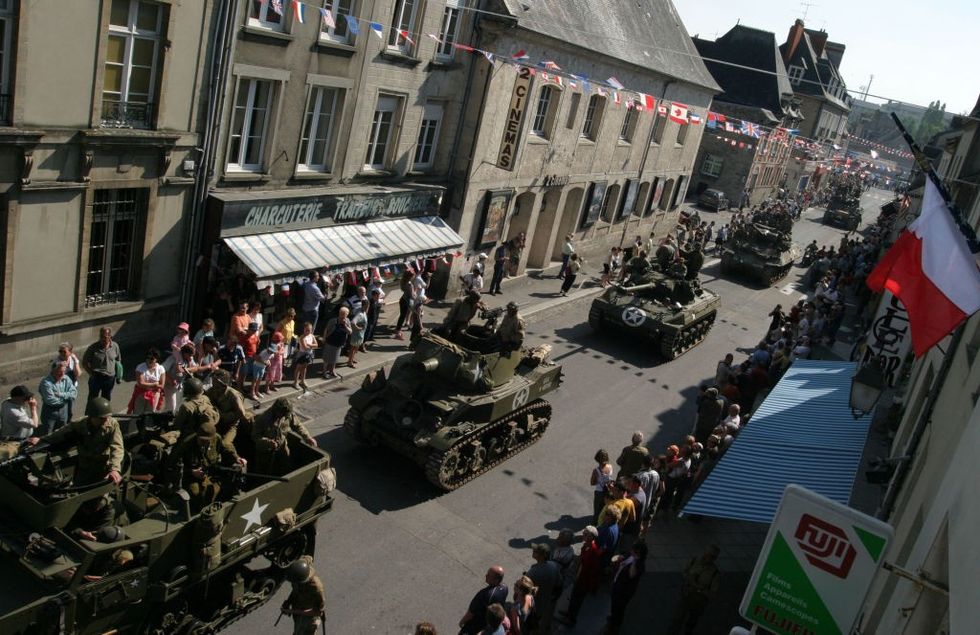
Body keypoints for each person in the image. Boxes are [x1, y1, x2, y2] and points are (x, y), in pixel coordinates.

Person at [32, 397, 123, 486]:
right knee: (79, 488)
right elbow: (60, 432)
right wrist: (42, 439)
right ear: (92, 417)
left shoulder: (112, 425)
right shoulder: (79, 424)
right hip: (84, 465)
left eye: (107, 417)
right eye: (102, 418)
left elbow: (117, 447)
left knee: (101, 498)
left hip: (102, 466)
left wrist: (114, 469)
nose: (106, 420)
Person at [166, 420, 245, 508]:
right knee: (197, 494)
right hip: (190, 477)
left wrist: (237, 458)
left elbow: (226, 450)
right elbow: (172, 465)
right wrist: (191, 472)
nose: (203, 442)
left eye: (206, 440)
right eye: (201, 439)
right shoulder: (186, 444)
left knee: (222, 488)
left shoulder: (217, 439)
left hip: (210, 472)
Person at [252, 398, 317, 475]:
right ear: (276, 410)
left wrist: (307, 437)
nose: (285, 416)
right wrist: (267, 442)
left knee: (286, 465)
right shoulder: (262, 419)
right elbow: (255, 436)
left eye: (286, 414)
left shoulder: (288, 414)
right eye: (283, 414)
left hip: (282, 446)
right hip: (265, 450)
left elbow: (297, 426)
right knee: (263, 471)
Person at [555, 525, 601, 627]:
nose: (583, 535)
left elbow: (591, 570)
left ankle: (571, 619)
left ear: (591, 537)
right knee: (573, 597)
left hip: (583, 581)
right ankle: (568, 613)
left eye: (585, 534)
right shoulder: (586, 546)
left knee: (577, 600)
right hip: (578, 578)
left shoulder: (593, 551)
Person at [668, 546, 721, 634]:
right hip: (686, 596)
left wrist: (700, 590)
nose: (708, 558)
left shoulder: (715, 573)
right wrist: (689, 579)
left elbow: (713, 594)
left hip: (698, 602)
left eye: (712, 557)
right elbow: (684, 572)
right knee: (677, 620)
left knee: (691, 623)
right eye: (708, 555)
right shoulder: (694, 561)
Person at [205, 369, 253, 448]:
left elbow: (241, 413)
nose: (213, 384)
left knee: (225, 444)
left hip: (231, 424)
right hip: (217, 421)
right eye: (213, 382)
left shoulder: (234, 395)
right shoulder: (212, 391)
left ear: (223, 384)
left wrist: (225, 416)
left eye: (216, 383)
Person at [608, 541, 648, 633]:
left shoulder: (640, 565)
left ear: (638, 553)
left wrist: (635, 560)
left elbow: (631, 574)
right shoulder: (630, 555)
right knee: (614, 604)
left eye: (633, 550)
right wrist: (621, 558)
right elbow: (624, 558)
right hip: (618, 583)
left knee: (619, 608)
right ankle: (613, 617)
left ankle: (614, 626)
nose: (631, 550)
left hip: (624, 591)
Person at [281, 556, 326, 635]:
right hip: (298, 611)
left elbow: (318, 612)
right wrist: (288, 602)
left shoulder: (316, 587)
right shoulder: (298, 576)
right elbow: (295, 591)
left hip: (308, 618)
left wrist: (294, 611)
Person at [459, 566, 508, 634]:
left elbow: (471, 613)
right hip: (488, 625)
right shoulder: (505, 588)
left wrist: (462, 622)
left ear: (496, 580)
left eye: (489, 575)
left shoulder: (485, 594)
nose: (486, 575)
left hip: (475, 626)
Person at [38, 361, 78, 435]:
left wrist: (61, 395)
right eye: (59, 372)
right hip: (50, 412)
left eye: (64, 372)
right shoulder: (46, 383)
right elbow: (50, 400)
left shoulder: (66, 379)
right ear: (53, 371)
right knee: (48, 433)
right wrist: (66, 400)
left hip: (63, 412)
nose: (62, 374)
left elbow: (74, 393)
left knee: (62, 432)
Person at [527, 543, 560, 632]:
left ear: (541, 556)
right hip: (546, 601)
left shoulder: (533, 571)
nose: (533, 551)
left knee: (530, 623)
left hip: (534, 603)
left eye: (536, 551)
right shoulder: (554, 566)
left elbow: (524, 589)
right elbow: (559, 582)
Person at [82, 326, 121, 402]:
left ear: (110, 336)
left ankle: (105, 413)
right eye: (101, 336)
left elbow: (118, 360)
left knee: (106, 398)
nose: (102, 338)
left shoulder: (115, 346)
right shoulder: (93, 347)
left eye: (105, 337)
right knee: (93, 398)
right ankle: (91, 413)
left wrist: (118, 375)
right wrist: (90, 373)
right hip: (96, 377)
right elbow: (84, 362)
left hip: (109, 378)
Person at [0, 386, 39, 460]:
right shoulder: (13, 413)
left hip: (17, 437)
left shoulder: (7, 401)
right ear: (16, 398)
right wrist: (33, 408)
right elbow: (35, 424)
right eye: (25, 399)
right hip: (15, 442)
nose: (27, 401)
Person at [164, 344, 203, 413]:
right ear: (185, 353)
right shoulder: (173, 358)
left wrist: (185, 369)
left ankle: (176, 420)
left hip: (180, 385)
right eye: (190, 355)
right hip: (170, 385)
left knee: (179, 406)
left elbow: (195, 368)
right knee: (171, 406)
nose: (192, 357)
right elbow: (163, 370)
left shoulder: (190, 359)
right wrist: (170, 380)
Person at [53, 342, 82, 420]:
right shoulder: (56, 361)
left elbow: (78, 374)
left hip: (71, 387)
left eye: (64, 351)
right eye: (60, 351)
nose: (62, 353)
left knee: (70, 408)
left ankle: (69, 421)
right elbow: (54, 375)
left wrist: (76, 362)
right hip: (61, 388)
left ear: (70, 352)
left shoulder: (73, 359)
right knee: (61, 407)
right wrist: (60, 366)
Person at [321, 307, 352, 379]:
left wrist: (345, 325)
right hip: (330, 341)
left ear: (347, 315)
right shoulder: (333, 320)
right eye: (341, 314)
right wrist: (324, 338)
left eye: (344, 314)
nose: (343, 315)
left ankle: (332, 370)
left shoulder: (347, 321)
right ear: (339, 313)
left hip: (339, 343)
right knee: (327, 358)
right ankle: (324, 371)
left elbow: (350, 332)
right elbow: (326, 329)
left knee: (335, 358)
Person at [293, 322, 318, 390]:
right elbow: (305, 347)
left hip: (309, 354)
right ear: (304, 329)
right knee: (298, 368)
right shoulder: (302, 337)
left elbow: (317, 345)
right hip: (302, 354)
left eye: (309, 330)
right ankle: (295, 382)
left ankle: (302, 381)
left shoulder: (312, 336)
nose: (308, 331)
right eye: (306, 330)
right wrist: (312, 346)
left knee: (304, 368)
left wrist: (310, 345)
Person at [591, 449, 614, 523]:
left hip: (599, 492)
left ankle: (596, 523)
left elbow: (592, 483)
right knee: (605, 507)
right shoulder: (610, 467)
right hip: (608, 491)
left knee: (597, 509)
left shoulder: (596, 470)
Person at [394, 270, 416, 341]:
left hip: (403, 300)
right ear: (410, 277)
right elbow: (412, 296)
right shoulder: (410, 285)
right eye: (413, 276)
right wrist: (417, 295)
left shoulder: (403, 281)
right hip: (406, 301)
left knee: (402, 316)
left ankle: (398, 329)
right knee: (402, 317)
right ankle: (398, 332)